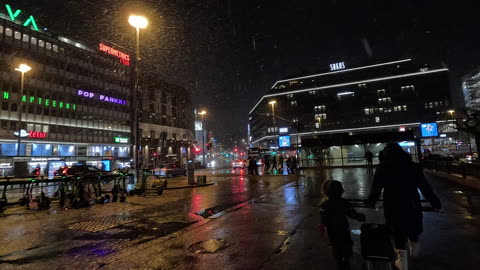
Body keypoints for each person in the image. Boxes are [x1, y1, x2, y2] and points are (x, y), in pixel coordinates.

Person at [367, 143, 441, 270]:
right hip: (412, 203)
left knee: (397, 232)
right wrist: (434, 202)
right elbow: (424, 187)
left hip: (393, 205)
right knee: (412, 226)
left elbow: (376, 188)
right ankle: (415, 250)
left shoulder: (383, 167)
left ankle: (402, 262)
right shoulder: (412, 166)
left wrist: (372, 202)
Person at [320, 180, 365, 270]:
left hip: (332, 231)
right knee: (346, 243)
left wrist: (322, 230)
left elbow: (323, 221)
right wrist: (360, 217)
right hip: (343, 229)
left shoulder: (324, 205)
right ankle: (346, 259)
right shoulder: (344, 202)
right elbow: (351, 213)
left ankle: (340, 261)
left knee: (336, 246)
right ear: (341, 191)